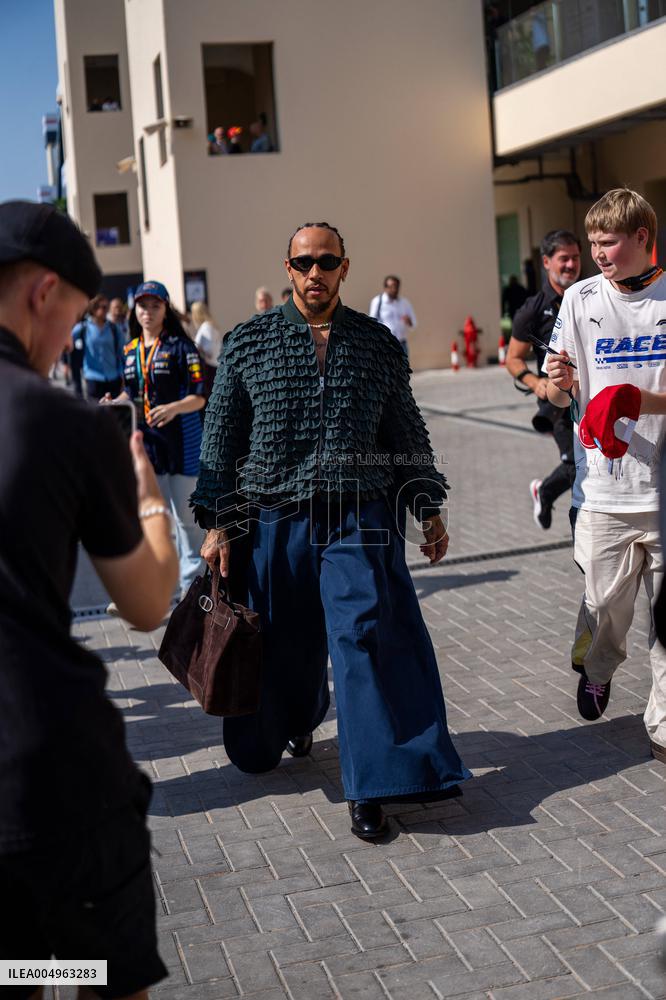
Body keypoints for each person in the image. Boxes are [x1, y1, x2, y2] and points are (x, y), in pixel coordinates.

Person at [192, 222, 470, 840]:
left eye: (326, 261)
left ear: (345, 267)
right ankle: (297, 717)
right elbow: (220, 440)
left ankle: (372, 784)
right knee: (282, 646)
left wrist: (427, 507)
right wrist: (217, 525)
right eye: (303, 263)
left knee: (362, 637)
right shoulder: (247, 343)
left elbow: (404, 431)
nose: (314, 272)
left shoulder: (377, 344)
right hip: (273, 517)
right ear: (288, 269)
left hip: (358, 515)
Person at [0, 200, 178, 998]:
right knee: (102, 977)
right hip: (51, 778)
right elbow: (145, 602)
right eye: (72, 318)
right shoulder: (59, 420)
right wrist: (148, 498)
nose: (67, 340)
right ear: (43, 293)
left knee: (16, 975)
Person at [545, 188, 666, 762]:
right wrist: (560, 384)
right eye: (592, 242)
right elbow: (555, 390)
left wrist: (634, 398)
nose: (597, 253)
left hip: (662, 491)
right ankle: (597, 669)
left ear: (642, 237)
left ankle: (662, 727)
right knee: (604, 607)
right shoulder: (579, 298)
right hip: (604, 490)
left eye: (608, 242)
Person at [114, 281, 206, 597]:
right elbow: (130, 392)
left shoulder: (183, 348)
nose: (148, 312)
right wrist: (114, 402)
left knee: (187, 524)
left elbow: (199, 398)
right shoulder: (129, 350)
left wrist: (173, 408)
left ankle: (192, 597)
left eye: (155, 306)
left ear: (166, 310)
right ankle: (158, 592)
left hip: (183, 447)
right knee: (153, 522)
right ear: (135, 310)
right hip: (148, 448)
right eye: (143, 306)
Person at [506, 230, 582, 528]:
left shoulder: (593, 296)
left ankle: (548, 492)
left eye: (575, 257)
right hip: (557, 401)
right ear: (547, 262)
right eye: (564, 258)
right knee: (575, 464)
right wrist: (534, 382)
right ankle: (548, 495)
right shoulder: (532, 310)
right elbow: (513, 358)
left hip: (591, 395)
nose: (571, 265)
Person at [82, 293, 125, 399]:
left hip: (113, 378)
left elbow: (122, 353)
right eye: (100, 307)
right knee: (94, 408)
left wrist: (123, 375)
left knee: (114, 408)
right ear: (93, 308)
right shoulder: (83, 328)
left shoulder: (114, 329)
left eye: (106, 307)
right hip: (93, 378)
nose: (103, 310)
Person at [369, 275, 416, 358]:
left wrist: (409, 321)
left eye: (396, 287)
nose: (394, 289)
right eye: (391, 287)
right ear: (385, 288)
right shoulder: (378, 301)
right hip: (385, 345)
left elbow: (413, 324)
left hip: (401, 344)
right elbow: (372, 323)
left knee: (403, 366)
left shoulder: (404, 303)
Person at [191, 299, 222, 395]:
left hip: (209, 369)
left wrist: (197, 348)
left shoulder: (206, 327)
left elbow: (209, 352)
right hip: (214, 367)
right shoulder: (210, 326)